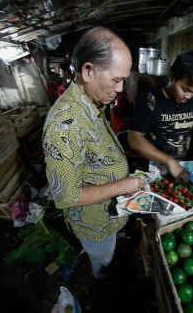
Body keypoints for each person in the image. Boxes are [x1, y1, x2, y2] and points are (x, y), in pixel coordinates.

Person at [42, 26, 144, 282]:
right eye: (116, 79)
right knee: (105, 266)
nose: (120, 88)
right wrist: (123, 184)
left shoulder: (90, 102)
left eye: (124, 80)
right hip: (94, 223)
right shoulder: (64, 124)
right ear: (88, 71)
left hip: (110, 214)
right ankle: (103, 284)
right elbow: (67, 196)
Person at [128, 50, 193, 183]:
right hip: (154, 168)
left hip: (181, 167)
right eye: (184, 89)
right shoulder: (150, 99)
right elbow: (134, 139)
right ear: (172, 77)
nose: (188, 96)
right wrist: (169, 161)